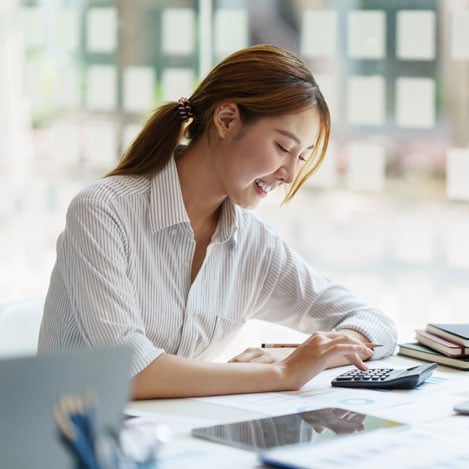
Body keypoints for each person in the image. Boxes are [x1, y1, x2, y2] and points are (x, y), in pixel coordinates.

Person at [38, 44, 397, 399]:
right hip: (69, 441)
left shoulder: (253, 243)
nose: (289, 174)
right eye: (283, 148)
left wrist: (291, 355)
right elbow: (129, 371)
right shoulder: (104, 212)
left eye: (302, 157)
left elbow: (375, 325)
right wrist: (282, 372)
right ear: (226, 120)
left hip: (172, 438)